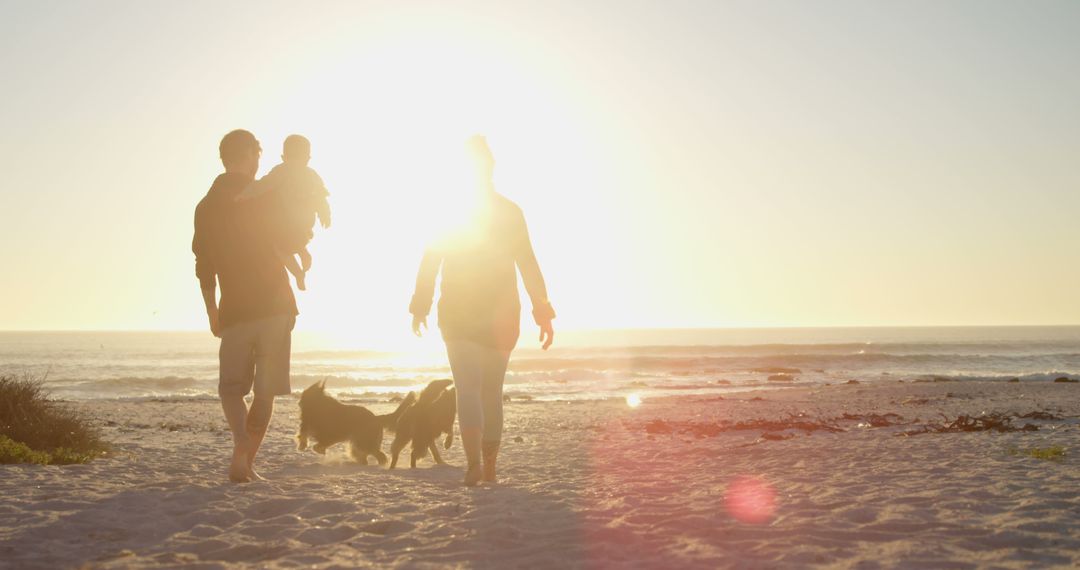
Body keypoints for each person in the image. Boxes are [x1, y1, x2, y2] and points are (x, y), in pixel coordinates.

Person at [409, 135, 556, 486]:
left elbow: (430, 260)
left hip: (460, 310)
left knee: (468, 390)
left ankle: (474, 463)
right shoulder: (509, 211)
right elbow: (529, 264)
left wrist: (420, 305)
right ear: (491, 167)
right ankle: (489, 467)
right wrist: (543, 310)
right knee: (491, 391)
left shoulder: (450, 211)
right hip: (501, 312)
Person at [193, 129, 299, 483]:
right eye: (258, 154)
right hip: (275, 305)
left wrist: (211, 309)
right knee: (265, 392)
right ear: (252, 154)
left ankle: (240, 444)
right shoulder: (265, 197)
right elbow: (285, 241)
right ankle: (246, 460)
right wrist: (301, 263)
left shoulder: (206, 207)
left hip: (235, 308)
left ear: (224, 158)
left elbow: (204, 264)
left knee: (231, 389)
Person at [236, 134, 331, 291]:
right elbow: (321, 196)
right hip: (305, 226)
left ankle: (298, 273)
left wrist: (245, 194)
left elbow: (262, 185)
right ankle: (302, 250)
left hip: (287, 225)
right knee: (292, 243)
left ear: (283, 157)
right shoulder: (312, 175)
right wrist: (325, 214)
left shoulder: (282, 170)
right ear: (308, 158)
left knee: (278, 247)